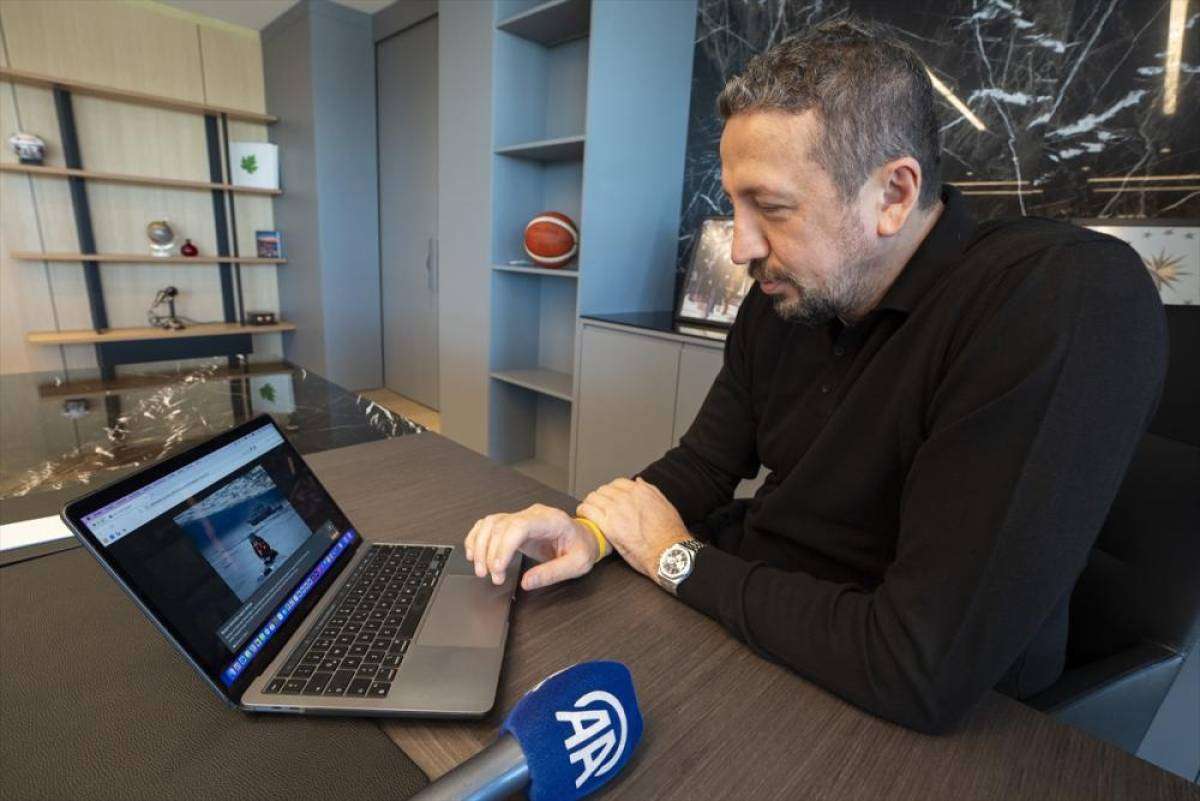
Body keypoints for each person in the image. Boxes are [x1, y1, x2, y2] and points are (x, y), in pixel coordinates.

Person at [464, 20, 1167, 734]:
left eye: (771, 208)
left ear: (893, 194)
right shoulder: (790, 293)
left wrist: (676, 559)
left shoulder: (1060, 297)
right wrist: (591, 531)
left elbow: (919, 666)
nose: (739, 247)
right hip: (753, 623)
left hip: (904, 719)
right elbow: (705, 464)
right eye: (735, 205)